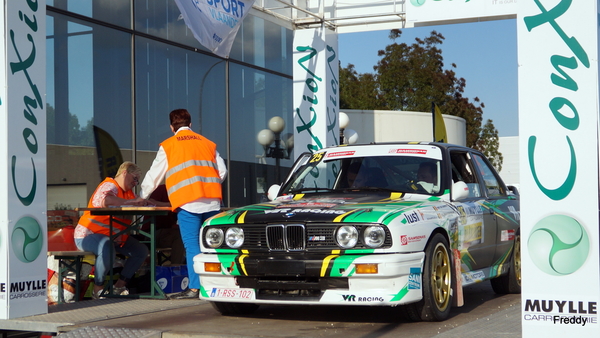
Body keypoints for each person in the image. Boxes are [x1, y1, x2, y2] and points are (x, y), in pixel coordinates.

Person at [139, 108, 227, 300]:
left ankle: (195, 288)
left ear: (172, 127)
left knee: (192, 245)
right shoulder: (208, 143)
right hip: (212, 201)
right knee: (213, 244)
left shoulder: (169, 145)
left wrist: (142, 196)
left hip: (188, 203)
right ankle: (216, 285)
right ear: (191, 124)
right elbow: (222, 171)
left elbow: (154, 176)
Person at [74, 161, 150, 300]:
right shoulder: (110, 185)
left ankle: (119, 286)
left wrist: (169, 204)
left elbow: (144, 202)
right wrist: (131, 202)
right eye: (134, 178)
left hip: (113, 237)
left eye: (137, 181)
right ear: (124, 173)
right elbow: (105, 200)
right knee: (107, 248)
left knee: (141, 251)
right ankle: (98, 289)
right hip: (87, 235)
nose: (135, 183)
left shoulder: (128, 193)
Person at [139, 184, 185, 265]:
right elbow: (151, 202)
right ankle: (176, 268)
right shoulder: (162, 188)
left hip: (166, 233)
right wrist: (170, 205)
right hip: (150, 233)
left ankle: (184, 266)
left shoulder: (182, 193)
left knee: (189, 234)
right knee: (180, 236)